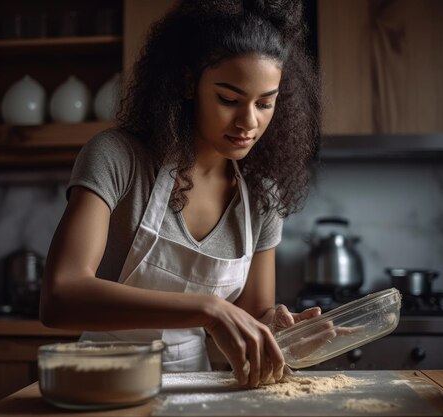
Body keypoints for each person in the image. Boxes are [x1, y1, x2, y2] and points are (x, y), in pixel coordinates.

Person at [40, 0, 322, 388]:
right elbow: (60, 297)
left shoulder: (261, 197)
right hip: (102, 386)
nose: (248, 122)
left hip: (198, 390)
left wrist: (279, 333)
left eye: (265, 103)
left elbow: (251, 315)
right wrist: (208, 309)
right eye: (229, 99)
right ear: (188, 83)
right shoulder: (119, 158)